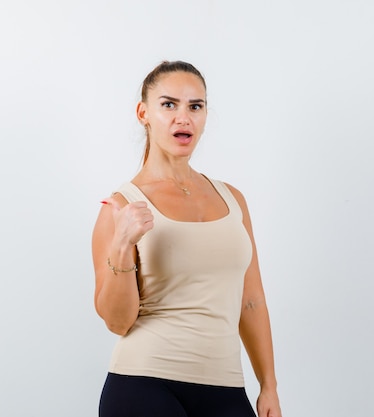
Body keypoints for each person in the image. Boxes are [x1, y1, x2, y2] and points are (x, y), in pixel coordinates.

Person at [92, 60, 282, 417]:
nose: (184, 117)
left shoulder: (232, 199)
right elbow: (118, 322)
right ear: (143, 113)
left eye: (195, 106)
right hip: (144, 384)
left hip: (226, 386)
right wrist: (120, 245)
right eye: (169, 105)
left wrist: (268, 386)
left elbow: (251, 301)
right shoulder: (120, 207)